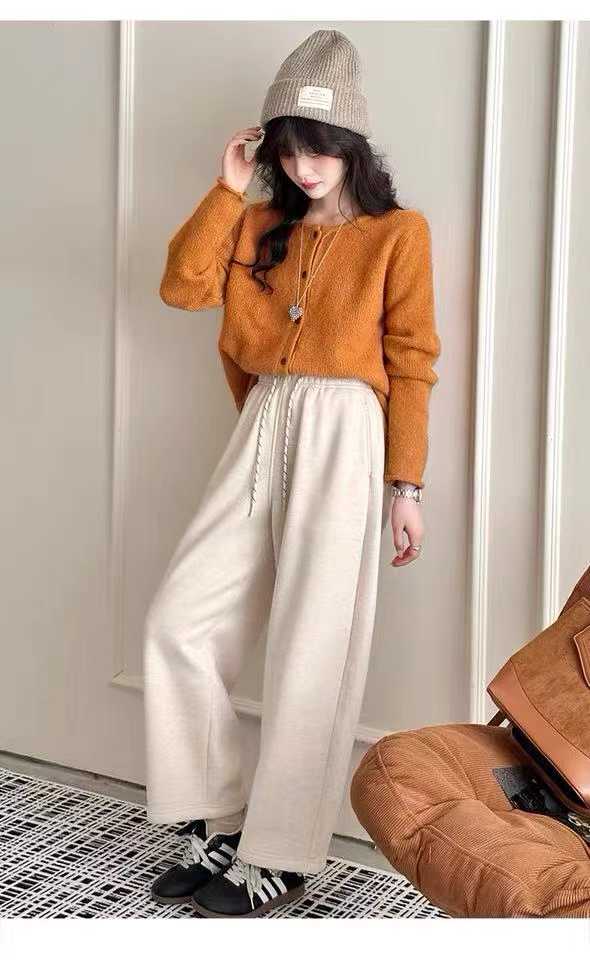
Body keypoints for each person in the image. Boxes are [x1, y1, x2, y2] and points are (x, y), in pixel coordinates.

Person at [143, 29, 441, 919]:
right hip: (264, 420)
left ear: (351, 145)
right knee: (179, 621)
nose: (304, 167)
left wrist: (406, 487)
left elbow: (414, 359)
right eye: (288, 149)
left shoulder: (399, 233)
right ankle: (223, 820)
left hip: (347, 429)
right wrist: (227, 188)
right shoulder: (257, 225)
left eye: (319, 148)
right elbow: (182, 288)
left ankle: (281, 854)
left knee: (315, 642)